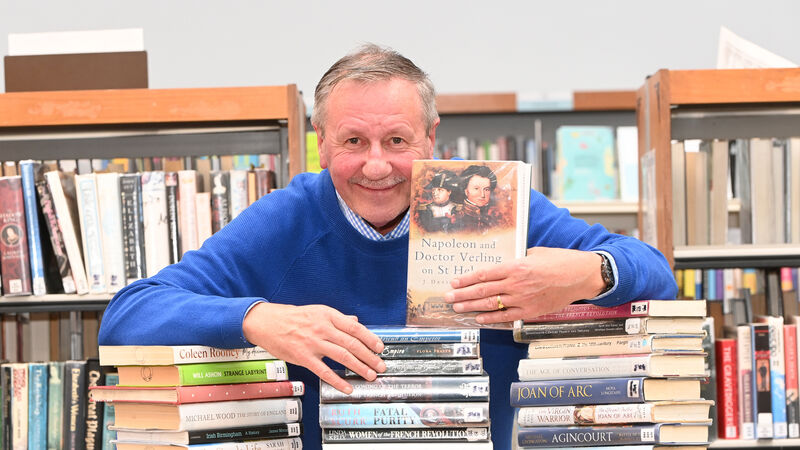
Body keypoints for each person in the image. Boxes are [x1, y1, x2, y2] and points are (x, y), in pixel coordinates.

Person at [98, 44, 677, 450]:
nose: (376, 165)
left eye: (397, 140)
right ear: (320, 142)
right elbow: (129, 314)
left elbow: (656, 273)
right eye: (353, 141)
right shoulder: (286, 219)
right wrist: (257, 318)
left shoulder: (492, 202)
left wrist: (590, 273)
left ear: (431, 137)